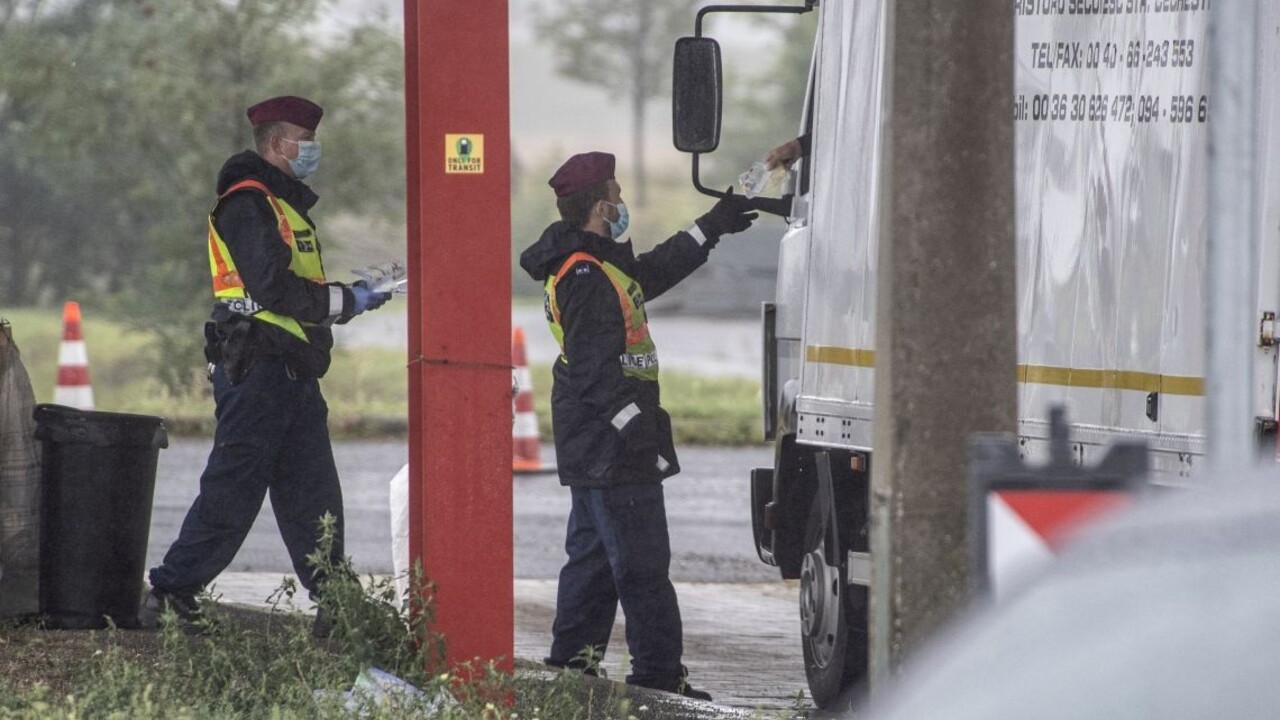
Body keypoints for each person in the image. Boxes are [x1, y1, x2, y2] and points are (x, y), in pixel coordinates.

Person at [142, 95, 392, 635]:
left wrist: (351, 297)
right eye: (305, 140)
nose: (312, 150)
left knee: (315, 495)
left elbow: (298, 291)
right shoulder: (247, 204)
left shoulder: (285, 205)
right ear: (278, 144)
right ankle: (172, 592)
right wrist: (347, 301)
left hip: (293, 372)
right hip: (256, 369)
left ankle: (338, 604)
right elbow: (274, 289)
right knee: (233, 489)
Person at [518, 151, 757, 701]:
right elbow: (595, 370)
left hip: (596, 443)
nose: (624, 203)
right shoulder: (584, 274)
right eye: (619, 195)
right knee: (643, 565)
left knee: (594, 563)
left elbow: (649, 273)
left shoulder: (594, 263)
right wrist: (635, 430)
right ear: (601, 206)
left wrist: (712, 226)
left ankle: (570, 673)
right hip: (611, 445)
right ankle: (657, 679)